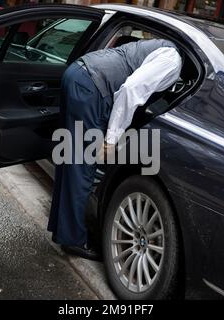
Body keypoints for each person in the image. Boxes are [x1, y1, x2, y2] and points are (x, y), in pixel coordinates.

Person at [48, 38, 183, 260]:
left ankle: (61, 229)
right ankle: (73, 240)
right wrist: (111, 140)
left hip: (77, 73)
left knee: (70, 161)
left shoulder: (159, 46)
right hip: (91, 86)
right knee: (82, 168)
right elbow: (130, 90)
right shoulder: (172, 60)